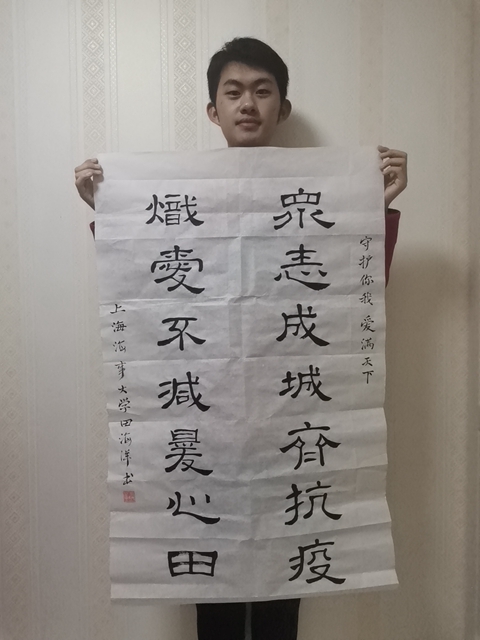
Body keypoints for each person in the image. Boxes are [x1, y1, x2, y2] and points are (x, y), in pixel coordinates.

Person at [75, 37, 407, 640]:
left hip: (292, 432)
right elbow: (141, 291)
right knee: (216, 595)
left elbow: (355, 291)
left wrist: (375, 208)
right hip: (208, 438)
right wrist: (111, 210)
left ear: (283, 107)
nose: (247, 103)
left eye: (262, 91)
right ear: (213, 110)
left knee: (285, 589)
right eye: (233, 92)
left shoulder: (319, 198)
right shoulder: (179, 196)